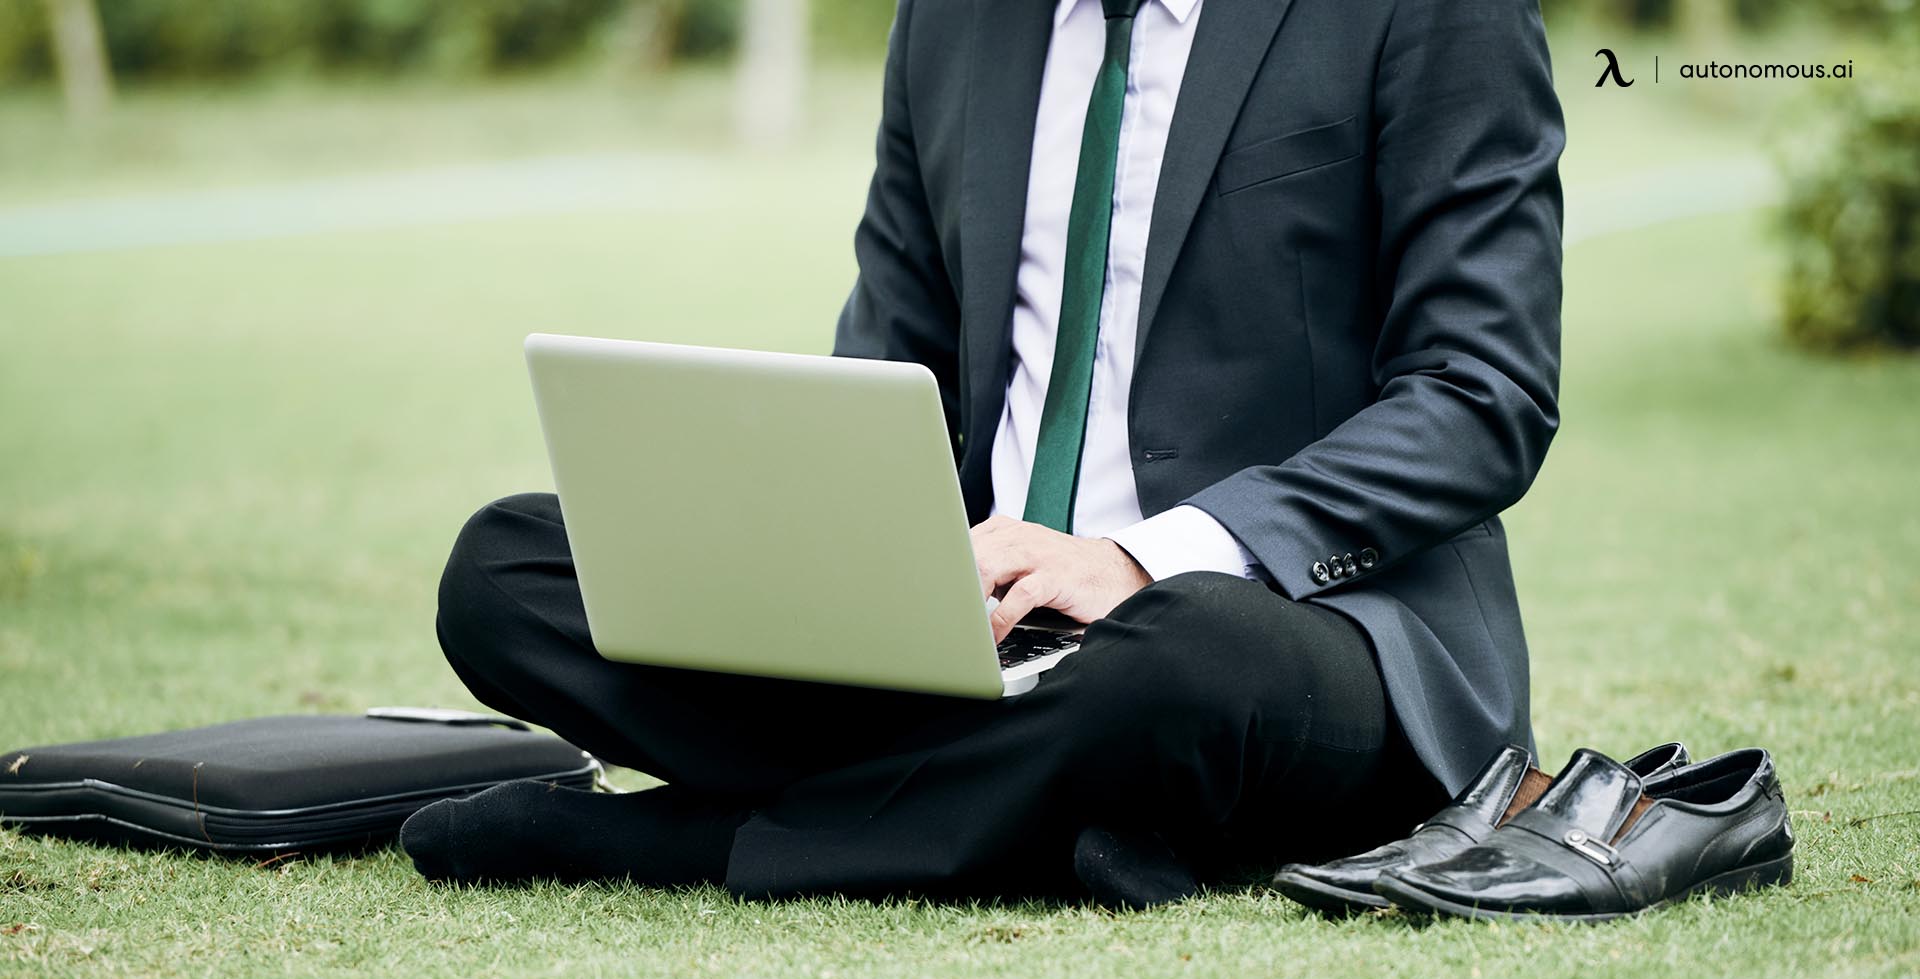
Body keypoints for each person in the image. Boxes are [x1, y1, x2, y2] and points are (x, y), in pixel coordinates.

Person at [401, 0, 1566, 908]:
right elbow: (887, 358)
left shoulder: (1437, 11)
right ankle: (1039, 821)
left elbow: (1484, 392)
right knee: (509, 568)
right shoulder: (953, 18)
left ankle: (673, 841)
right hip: (974, 622)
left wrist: (1142, 559)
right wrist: (843, 556)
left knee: (1181, 661)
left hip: (1279, 629)